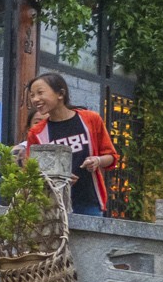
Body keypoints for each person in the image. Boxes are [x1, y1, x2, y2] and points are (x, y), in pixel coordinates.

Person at [22, 72, 117, 216]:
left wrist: (97, 160)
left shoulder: (90, 119)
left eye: (40, 93)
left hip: (89, 201)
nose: (35, 99)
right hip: (52, 206)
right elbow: (31, 172)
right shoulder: (37, 132)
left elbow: (111, 156)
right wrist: (58, 178)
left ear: (60, 94)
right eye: (32, 95)